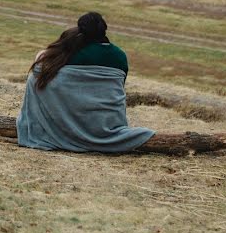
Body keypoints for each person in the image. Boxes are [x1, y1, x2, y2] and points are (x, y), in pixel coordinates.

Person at [16, 12, 155, 152]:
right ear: (104, 29)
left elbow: (40, 69)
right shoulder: (119, 55)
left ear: (81, 30)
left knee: (36, 78)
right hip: (107, 123)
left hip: (67, 123)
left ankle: (52, 125)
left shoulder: (73, 53)